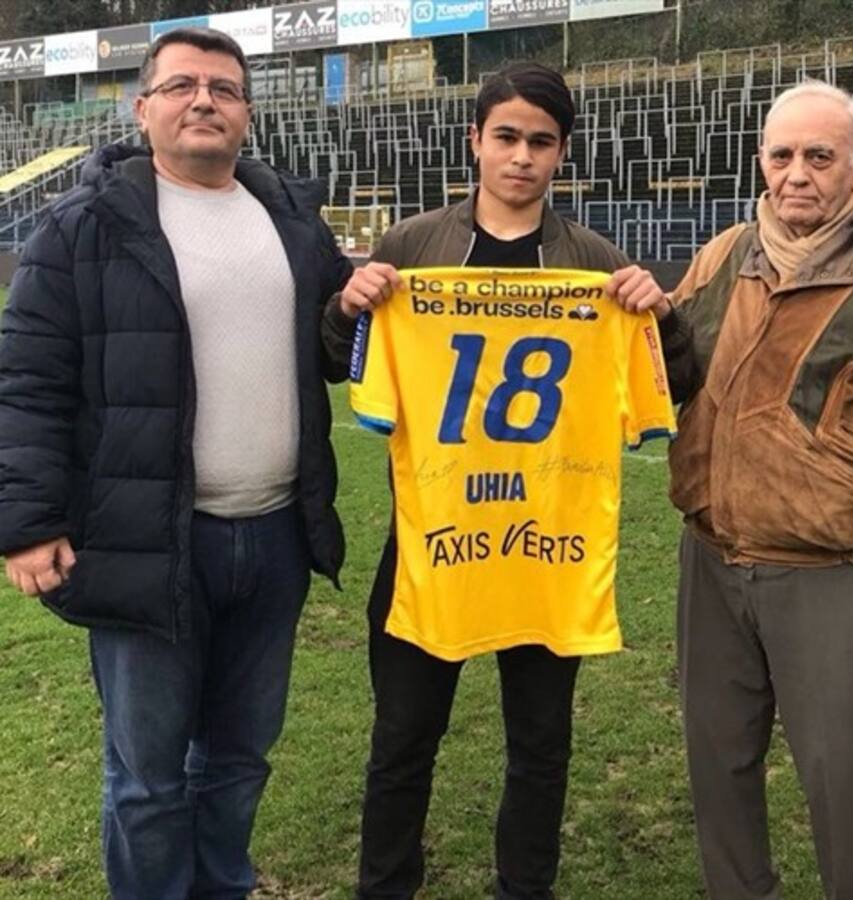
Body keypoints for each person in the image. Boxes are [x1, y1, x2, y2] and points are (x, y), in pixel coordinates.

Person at [0, 27, 354, 899]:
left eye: (226, 88)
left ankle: (222, 889)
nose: (206, 100)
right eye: (184, 85)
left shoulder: (294, 223)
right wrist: (29, 522)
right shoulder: (80, 228)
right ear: (144, 106)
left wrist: (358, 303)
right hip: (145, 540)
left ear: (246, 113)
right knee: (151, 778)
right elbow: (27, 381)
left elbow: (336, 348)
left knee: (239, 759)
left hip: (273, 539)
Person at [615, 78, 853, 900]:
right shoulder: (723, 254)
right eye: (782, 156)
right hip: (712, 558)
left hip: (836, 572)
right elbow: (669, 378)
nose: (798, 174)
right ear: (761, 163)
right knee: (718, 759)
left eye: (820, 156)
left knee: (842, 771)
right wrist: (649, 321)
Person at [326, 62, 668, 900]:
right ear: (475, 140)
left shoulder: (593, 262)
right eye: (506, 137)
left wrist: (661, 313)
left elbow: (671, 377)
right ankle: (386, 886)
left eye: (541, 142)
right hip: (434, 537)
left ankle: (526, 887)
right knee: (404, 735)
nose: (522, 157)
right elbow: (340, 365)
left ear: (562, 155)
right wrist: (346, 309)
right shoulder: (412, 248)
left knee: (542, 742)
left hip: (547, 544)